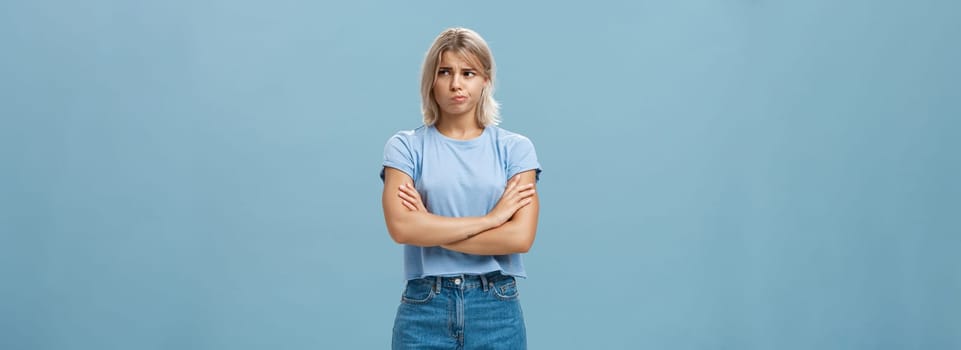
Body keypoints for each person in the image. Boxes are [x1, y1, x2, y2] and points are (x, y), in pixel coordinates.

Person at [380, 27, 542, 350]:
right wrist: (492, 219)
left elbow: (519, 238)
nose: (456, 83)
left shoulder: (516, 150)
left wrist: (430, 226)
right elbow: (402, 228)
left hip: (495, 307)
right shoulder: (405, 148)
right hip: (425, 307)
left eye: (468, 72)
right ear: (431, 81)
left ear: (485, 79)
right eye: (445, 72)